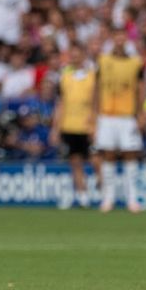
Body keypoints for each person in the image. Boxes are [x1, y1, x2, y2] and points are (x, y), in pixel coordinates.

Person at [94, 27, 144, 213]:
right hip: (107, 115)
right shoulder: (103, 60)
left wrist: (140, 113)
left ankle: (132, 199)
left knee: (130, 154)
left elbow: (140, 88)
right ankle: (108, 199)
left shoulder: (135, 62)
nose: (120, 40)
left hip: (127, 116)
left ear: (127, 39)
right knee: (108, 155)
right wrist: (94, 114)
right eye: (117, 37)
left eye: (123, 36)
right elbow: (97, 88)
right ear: (113, 39)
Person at [50, 43, 95, 209]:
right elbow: (60, 104)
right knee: (75, 161)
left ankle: (102, 188)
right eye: (72, 54)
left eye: (78, 54)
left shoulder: (92, 76)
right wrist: (55, 128)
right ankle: (83, 196)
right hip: (69, 125)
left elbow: (96, 103)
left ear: (84, 55)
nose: (75, 57)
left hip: (88, 125)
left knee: (96, 159)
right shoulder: (64, 77)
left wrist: (95, 123)